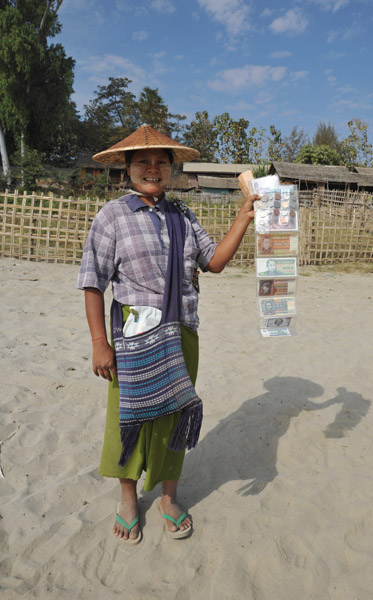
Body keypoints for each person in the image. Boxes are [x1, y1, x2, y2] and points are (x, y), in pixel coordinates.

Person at [76, 124, 258, 544]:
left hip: (181, 333)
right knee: (129, 419)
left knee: (175, 415)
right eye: (143, 161)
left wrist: (243, 217)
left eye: (162, 162)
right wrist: (100, 343)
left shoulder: (183, 216)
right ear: (126, 168)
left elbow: (214, 262)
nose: (153, 168)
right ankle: (127, 499)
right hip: (132, 339)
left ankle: (167, 498)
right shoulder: (112, 217)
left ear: (173, 170)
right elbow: (92, 282)